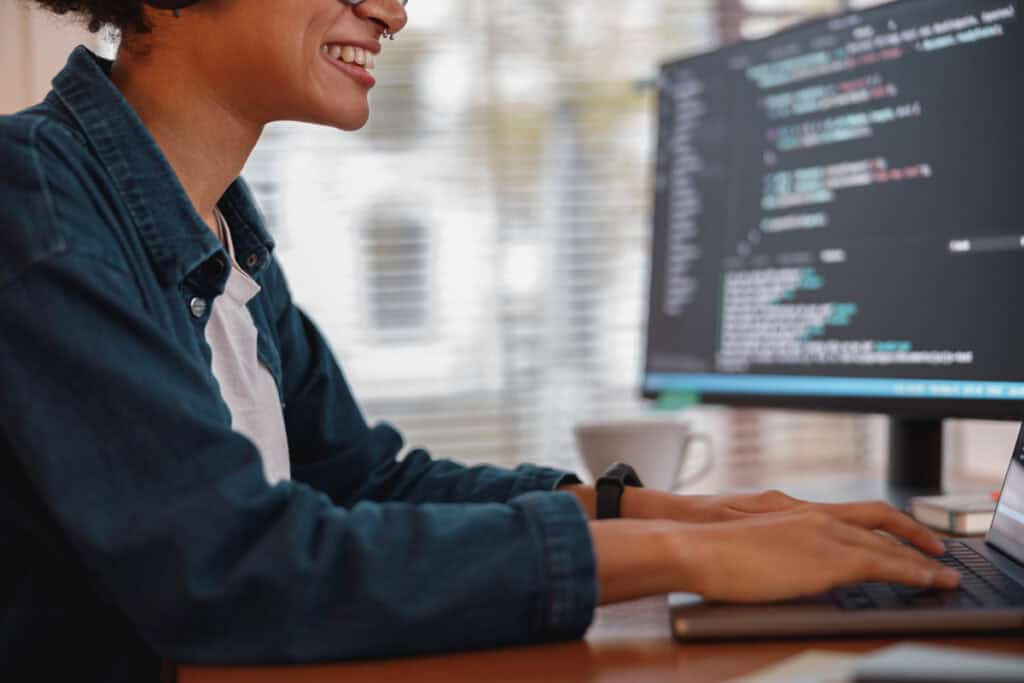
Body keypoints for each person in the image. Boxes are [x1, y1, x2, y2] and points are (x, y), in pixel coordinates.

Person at [0, 1, 961, 680]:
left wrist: (687, 515)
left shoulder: (219, 234)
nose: (392, 10)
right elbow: (230, 569)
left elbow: (363, 481)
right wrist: (684, 559)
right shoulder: (35, 204)